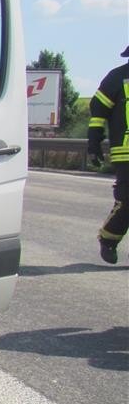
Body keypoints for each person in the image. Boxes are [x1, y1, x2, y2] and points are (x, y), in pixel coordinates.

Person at [87, 46, 129, 264]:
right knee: (127, 201)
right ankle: (109, 239)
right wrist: (94, 142)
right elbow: (98, 111)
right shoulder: (118, 77)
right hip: (126, 152)